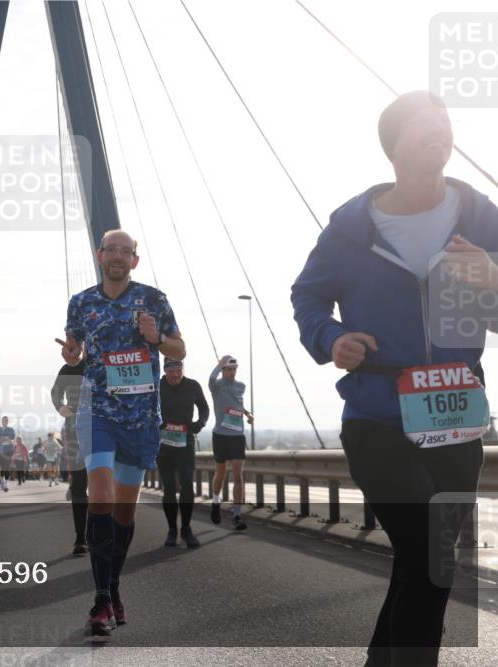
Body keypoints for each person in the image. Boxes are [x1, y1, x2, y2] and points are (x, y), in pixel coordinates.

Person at [291, 91, 497, 666]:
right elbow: (307, 296)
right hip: (378, 420)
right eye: (425, 124)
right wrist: (331, 339)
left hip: (458, 423)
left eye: (446, 122)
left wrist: (494, 279)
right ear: (394, 146)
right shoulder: (352, 227)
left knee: (421, 566)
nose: (441, 130)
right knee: (432, 560)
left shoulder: (483, 217)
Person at [58, 229, 184, 636]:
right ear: (99, 255)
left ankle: (112, 587)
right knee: (100, 496)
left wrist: (157, 338)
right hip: (98, 412)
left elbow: (179, 350)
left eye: (124, 251)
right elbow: (74, 347)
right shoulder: (81, 303)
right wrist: (71, 353)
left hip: (142, 417)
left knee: (125, 512)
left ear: (135, 259)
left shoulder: (154, 299)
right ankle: (98, 601)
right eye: (110, 249)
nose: (116, 256)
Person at [157, 358, 209, 548]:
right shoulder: (157, 385)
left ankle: (186, 529)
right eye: (172, 372)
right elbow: (146, 407)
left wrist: (199, 424)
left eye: (179, 371)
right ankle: (172, 529)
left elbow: (204, 408)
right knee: (169, 487)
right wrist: (156, 422)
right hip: (164, 443)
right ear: (165, 371)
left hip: (185, 441)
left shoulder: (193, 386)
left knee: (187, 485)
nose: (176, 375)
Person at [207, 355, 254, 530]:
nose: (232, 372)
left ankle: (237, 515)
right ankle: (215, 502)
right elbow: (211, 378)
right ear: (223, 370)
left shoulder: (241, 386)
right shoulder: (216, 386)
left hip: (237, 436)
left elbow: (237, 404)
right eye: (228, 369)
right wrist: (219, 364)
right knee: (221, 474)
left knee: (238, 475)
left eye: (234, 369)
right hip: (220, 435)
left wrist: (247, 414)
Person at [52, 358, 87, 556]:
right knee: (79, 486)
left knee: (104, 485)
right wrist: (60, 407)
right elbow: (55, 392)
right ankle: (81, 537)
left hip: (103, 428)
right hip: (75, 431)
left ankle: (99, 533)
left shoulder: (101, 359)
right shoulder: (66, 369)